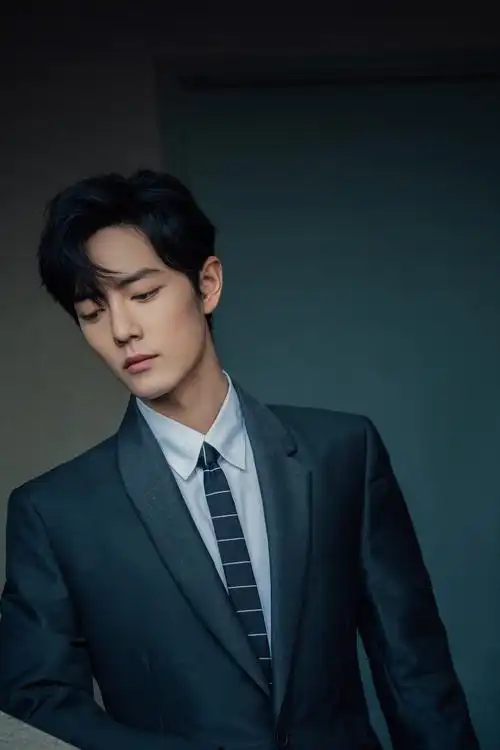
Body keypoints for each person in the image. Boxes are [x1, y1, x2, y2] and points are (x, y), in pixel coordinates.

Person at [0, 170, 479, 750]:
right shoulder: (54, 513)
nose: (122, 330)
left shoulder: (342, 453)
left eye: (143, 294)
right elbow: (39, 703)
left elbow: (416, 672)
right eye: (92, 311)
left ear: (207, 285)